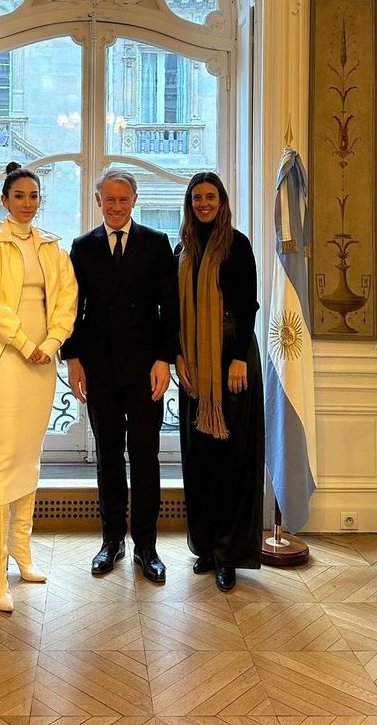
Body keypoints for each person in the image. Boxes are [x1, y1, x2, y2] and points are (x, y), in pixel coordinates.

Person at [0, 162, 78, 612]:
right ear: (5, 198)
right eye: (19, 196)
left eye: (34, 196)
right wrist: (25, 343)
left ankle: (22, 554)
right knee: (3, 458)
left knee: (30, 457)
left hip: (43, 360)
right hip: (7, 359)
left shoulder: (53, 247)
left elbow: (67, 298)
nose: (27, 203)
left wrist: (49, 343)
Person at [62, 168, 179, 584]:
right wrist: (72, 357)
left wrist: (165, 359)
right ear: (98, 201)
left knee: (145, 457)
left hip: (146, 369)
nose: (116, 207)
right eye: (109, 200)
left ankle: (146, 546)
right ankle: (111, 540)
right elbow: (72, 309)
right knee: (108, 456)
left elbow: (171, 308)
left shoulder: (156, 243)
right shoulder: (82, 246)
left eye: (123, 200)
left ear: (134, 201)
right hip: (99, 369)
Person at [175, 171, 264, 592]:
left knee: (233, 462)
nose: (204, 204)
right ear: (190, 204)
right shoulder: (183, 249)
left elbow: (248, 303)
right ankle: (206, 548)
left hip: (234, 363)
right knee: (200, 462)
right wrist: (178, 357)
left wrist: (237, 360)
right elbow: (173, 312)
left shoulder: (237, 245)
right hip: (194, 368)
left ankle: (230, 554)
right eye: (197, 198)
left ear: (222, 201)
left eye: (211, 197)